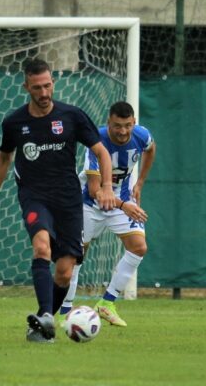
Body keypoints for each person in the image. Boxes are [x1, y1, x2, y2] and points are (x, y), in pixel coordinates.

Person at [0, 58, 116, 343]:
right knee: (40, 247)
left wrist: (107, 187)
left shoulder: (72, 116)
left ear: (54, 83)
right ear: (26, 87)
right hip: (34, 196)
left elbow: (101, 151)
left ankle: (42, 325)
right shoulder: (14, 122)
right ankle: (46, 314)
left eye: (48, 85)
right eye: (37, 87)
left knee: (64, 273)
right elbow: (4, 158)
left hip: (68, 201)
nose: (44, 93)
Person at [59, 101, 156, 327]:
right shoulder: (96, 141)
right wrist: (125, 206)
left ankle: (107, 302)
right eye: (117, 126)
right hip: (89, 205)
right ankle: (65, 312)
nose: (123, 131)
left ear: (134, 123)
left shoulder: (141, 136)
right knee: (76, 257)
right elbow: (96, 191)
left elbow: (151, 149)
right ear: (108, 123)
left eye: (127, 126)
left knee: (138, 247)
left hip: (122, 202)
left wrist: (140, 182)